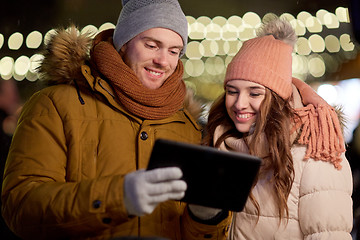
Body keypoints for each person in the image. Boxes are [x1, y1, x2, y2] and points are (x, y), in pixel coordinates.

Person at [1, 0, 231, 239]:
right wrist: (117, 197)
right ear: (124, 44)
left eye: (174, 51)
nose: (163, 61)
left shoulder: (187, 126)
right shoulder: (55, 105)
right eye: (152, 45)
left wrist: (206, 217)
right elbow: (21, 206)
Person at [203, 17, 353, 239]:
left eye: (254, 93)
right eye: (232, 91)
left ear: (277, 99)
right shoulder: (221, 147)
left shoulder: (314, 155)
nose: (239, 103)